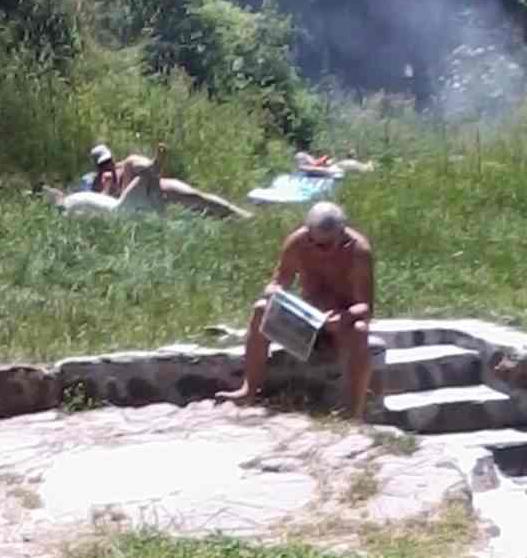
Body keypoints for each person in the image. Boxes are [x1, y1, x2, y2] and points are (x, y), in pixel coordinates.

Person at [217, 201, 375, 419]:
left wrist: (344, 316)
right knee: (261, 309)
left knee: (359, 330)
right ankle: (249, 389)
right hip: (306, 322)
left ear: (342, 233)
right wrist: (275, 293)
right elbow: (277, 283)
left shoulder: (359, 251)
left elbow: (366, 307)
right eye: (316, 243)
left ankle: (353, 411)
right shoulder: (297, 242)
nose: (322, 250)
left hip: (338, 327)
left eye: (328, 244)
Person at [53, 142, 250, 221]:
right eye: (102, 165)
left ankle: (238, 215)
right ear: (96, 167)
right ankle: (227, 219)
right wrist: (106, 188)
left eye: (108, 162)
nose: (107, 167)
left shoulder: (124, 166)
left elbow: (142, 171)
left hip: (154, 190)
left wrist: (153, 167)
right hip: (131, 207)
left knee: (196, 198)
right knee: (194, 211)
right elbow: (96, 205)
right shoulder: (91, 182)